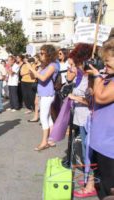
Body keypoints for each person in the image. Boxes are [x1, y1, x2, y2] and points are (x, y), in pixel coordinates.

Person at [64, 44, 96, 198]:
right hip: (82, 118)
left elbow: (92, 101)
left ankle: (90, 184)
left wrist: (74, 97)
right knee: (85, 150)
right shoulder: (83, 76)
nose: (73, 67)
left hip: (88, 119)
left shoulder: (91, 77)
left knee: (89, 152)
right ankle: (89, 182)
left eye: (74, 64)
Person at [87, 38, 114, 199]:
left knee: (110, 189)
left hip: (111, 146)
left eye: (108, 62)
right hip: (104, 143)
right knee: (104, 186)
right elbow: (93, 93)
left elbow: (101, 97)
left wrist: (97, 75)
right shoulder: (109, 76)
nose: (105, 65)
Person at [27, 45, 57, 151]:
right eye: (40, 53)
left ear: (49, 54)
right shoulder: (43, 65)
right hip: (42, 93)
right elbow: (33, 77)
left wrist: (32, 69)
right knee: (48, 118)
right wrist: (31, 69)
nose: (40, 55)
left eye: (42, 53)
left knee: (43, 118)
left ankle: (44, 142)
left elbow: (43, 78)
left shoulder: (53, 65)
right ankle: (51, 139)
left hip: (48, 94)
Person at [28, 54, 41, 122]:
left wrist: (31, 69)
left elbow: (37, 76)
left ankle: (42, 119)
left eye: (35, 58)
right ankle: (36, 117)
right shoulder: (36, 66)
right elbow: (32, 77)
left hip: (41, 85)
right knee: (36, 102)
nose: (34, 60)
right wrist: (30, 70)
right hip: (38, 85)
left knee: (40, 103)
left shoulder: (41, 66)